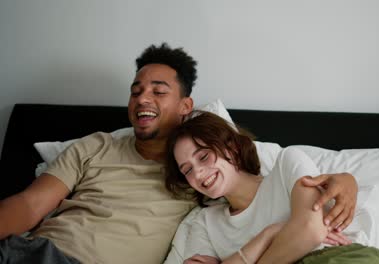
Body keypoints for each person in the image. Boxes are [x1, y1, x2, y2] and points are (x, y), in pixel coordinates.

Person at [0, 43, 358, 264]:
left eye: (158, 91)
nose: (142, 99)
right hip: (32, 250)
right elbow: (30, 206)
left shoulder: (200, 183)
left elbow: (257, 172)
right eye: (136, 90)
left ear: (186, 106)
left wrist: (346, 179)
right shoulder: (96, 146)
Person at [165, 111, 379, 264]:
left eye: (203, 156)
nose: (198, 173)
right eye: (187, 170)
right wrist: (268, 235)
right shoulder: (205, 222)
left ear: (231, 147)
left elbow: (312, 232)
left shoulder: (286, 164)